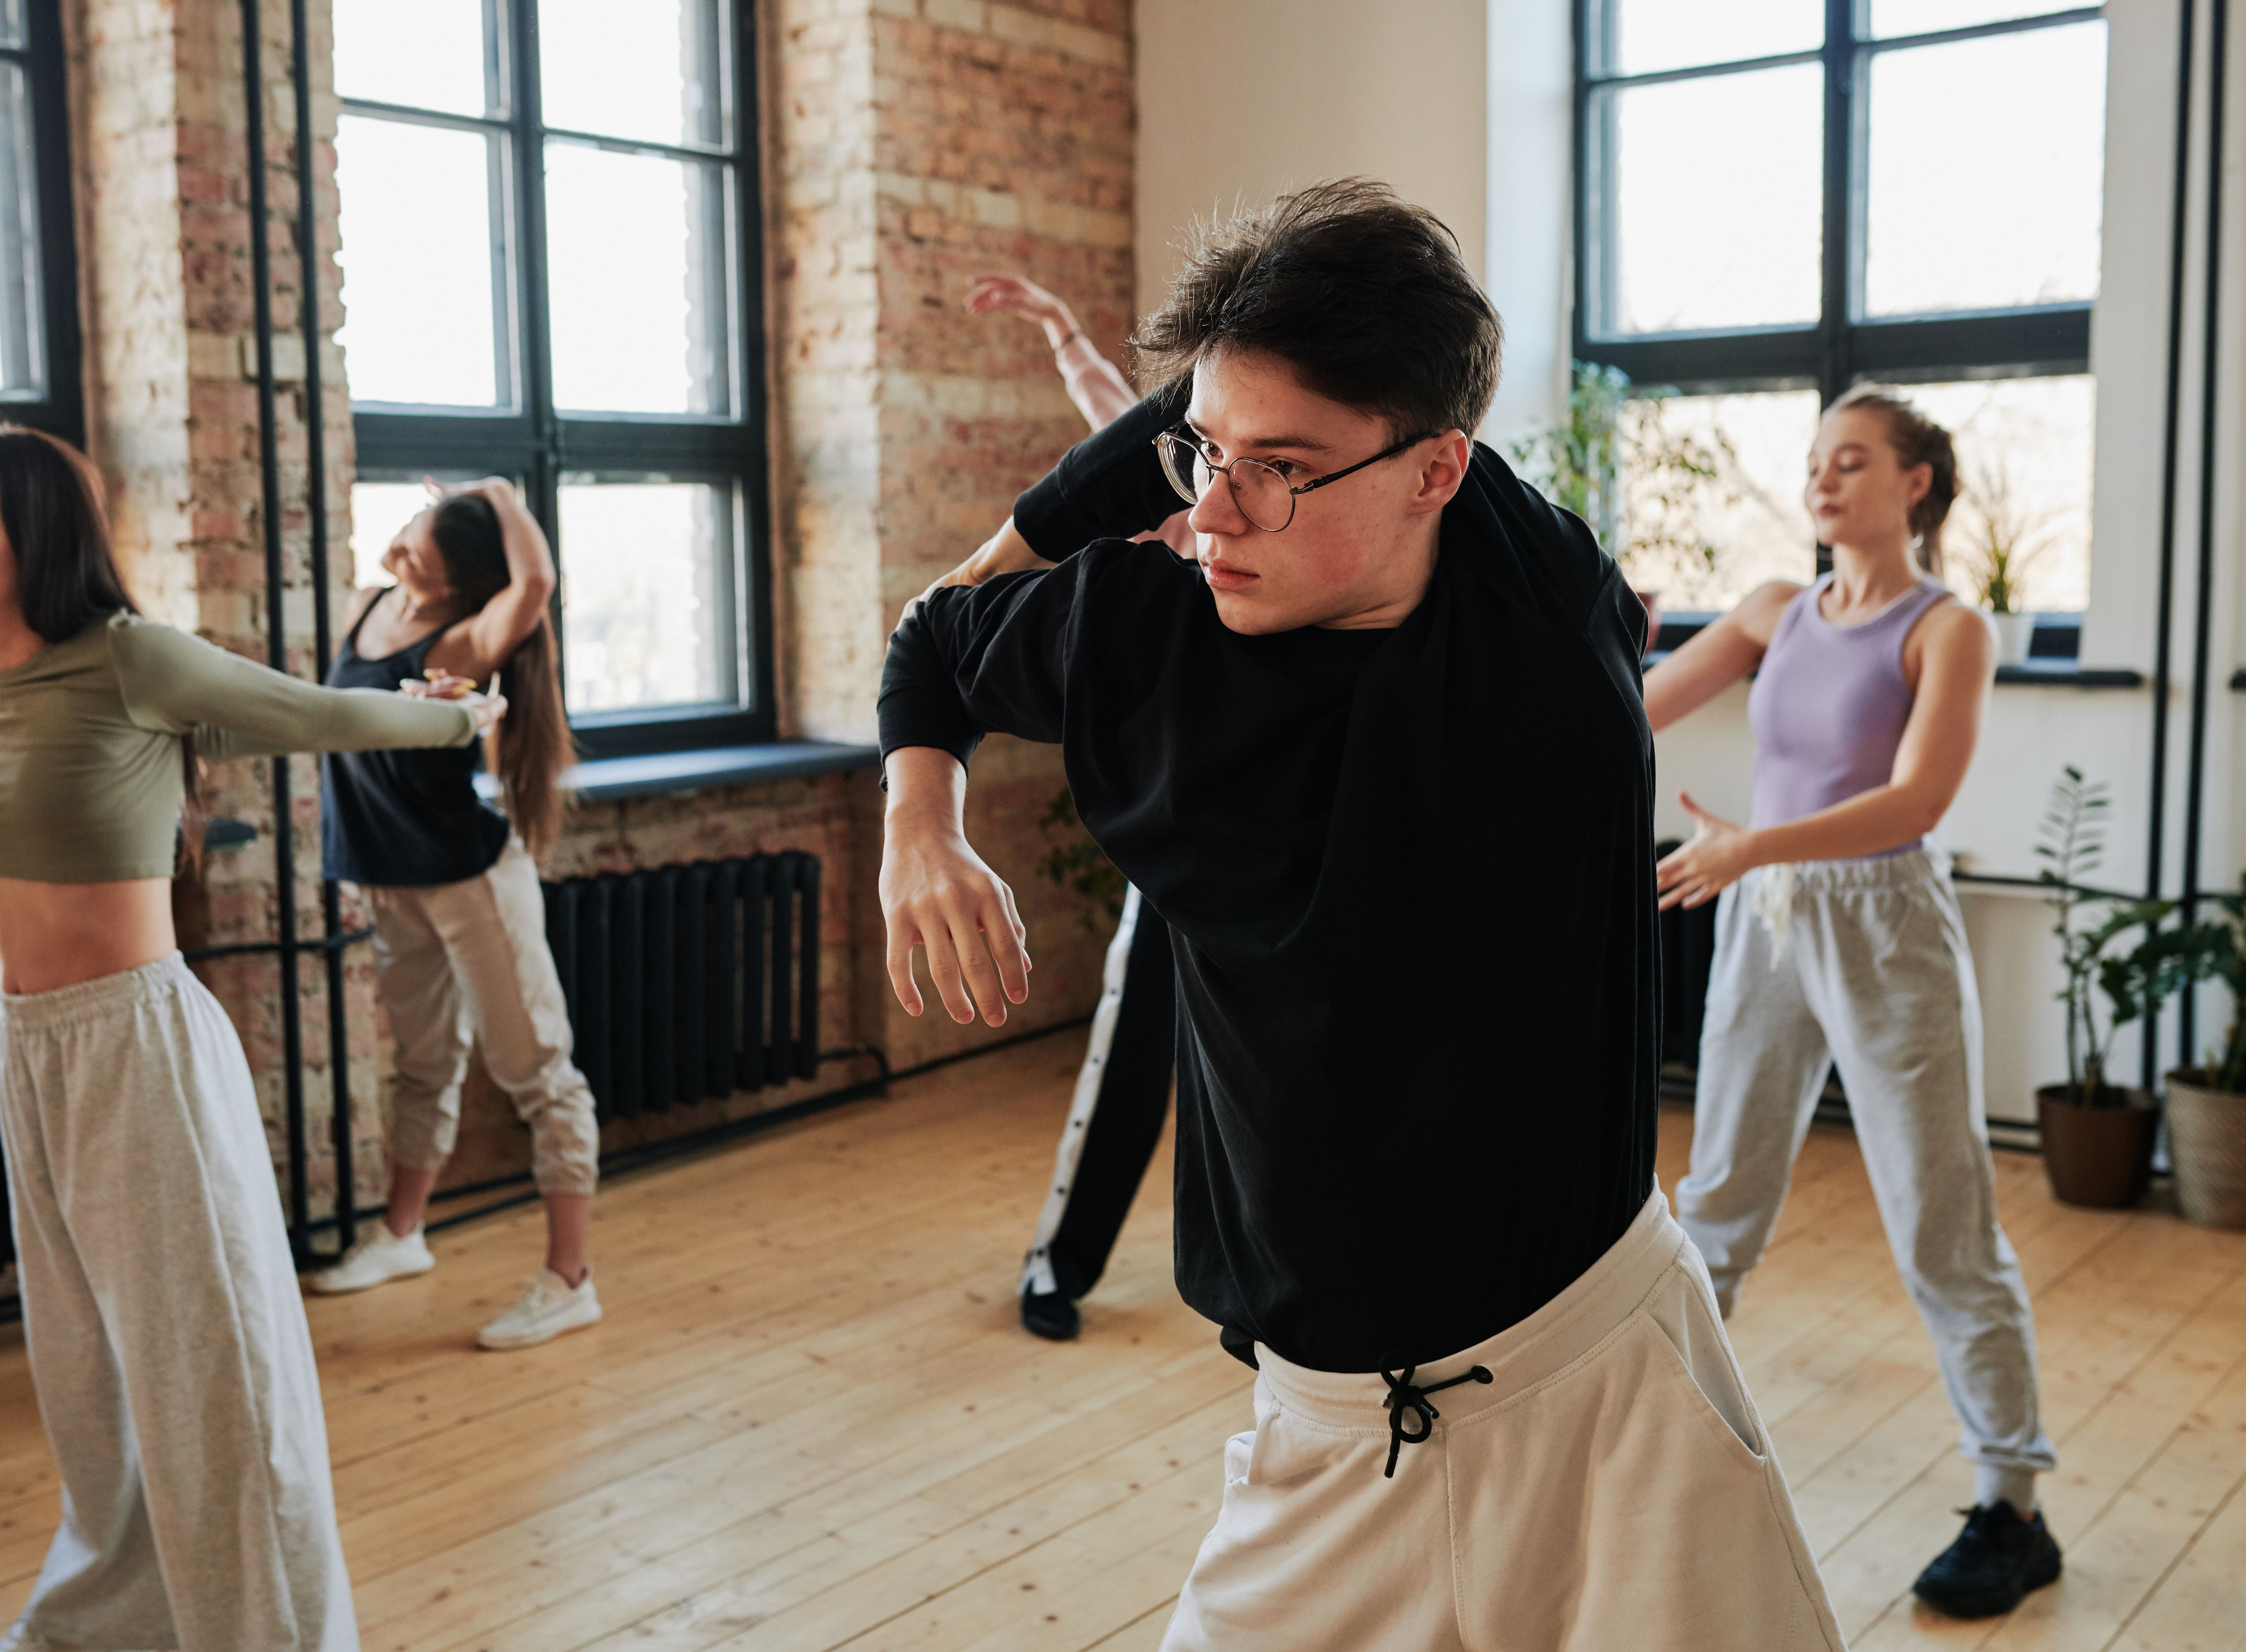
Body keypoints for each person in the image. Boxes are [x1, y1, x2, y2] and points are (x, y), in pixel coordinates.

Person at [880, 181, 1843, 1650]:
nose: (1213, 511)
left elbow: (1362, 360)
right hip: (1327, 1439)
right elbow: (935, 638)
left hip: (1606, 1385)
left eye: (1278, 470)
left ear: (1439, 474)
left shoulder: (1538, 599)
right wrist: (920, 825)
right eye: (1204, 454)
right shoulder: (1142, 640)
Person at [0, 424, 501, 1652]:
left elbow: (312, 713)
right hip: (27, 1043)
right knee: (89, 1372)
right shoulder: (2, 684)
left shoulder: (131, 659)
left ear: (38, 529)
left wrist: (458, 721)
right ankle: (115, 1619)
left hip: (135, 1046)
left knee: (212, 1374)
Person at [1646, 385, 2059, 1620]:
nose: (1824, 479)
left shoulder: (1949, 629)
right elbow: (1633, 705)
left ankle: (2011, 1506)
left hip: (1886, 926)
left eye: (1853, 459)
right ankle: (1664, 1452)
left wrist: (1752, 850)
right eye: (1816, 461)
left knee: (1944, 1224)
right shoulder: (1775, 611)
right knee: (1715, 1203)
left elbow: (1919, 800)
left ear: (1912, 482)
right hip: (1772, 923)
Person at [303, 478, 603, 1353]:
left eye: (420, 544)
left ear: (461, 575)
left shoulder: (464, 641)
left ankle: (570, 1281)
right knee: (424, 1062)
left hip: (469, 880)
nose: (398, 548)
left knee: (538, 1071)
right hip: (385, 874)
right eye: (404, 530)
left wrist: (504, 495)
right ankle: (402, 1236)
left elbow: (536, 586)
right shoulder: (369, 609)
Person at [965, 272, 1186, 1341]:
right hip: (1181, 845)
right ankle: (1059, 1266)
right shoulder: (1175, 500)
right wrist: (1059, 332)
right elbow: (1113, 418)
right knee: (1134, 1051)